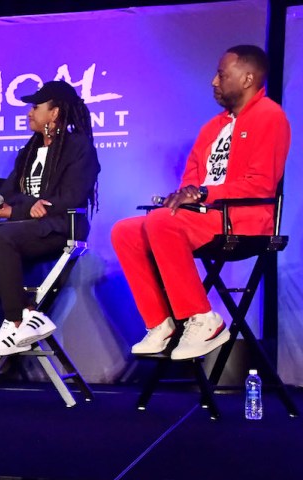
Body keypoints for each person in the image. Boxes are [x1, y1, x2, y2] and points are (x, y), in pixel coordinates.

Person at [110, 45, 291, 361]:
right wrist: (185, 197)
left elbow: (261, 183)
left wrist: (206, 195)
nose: (213, 82)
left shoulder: (270, 116)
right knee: (125, 231)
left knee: (162, 221)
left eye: (222, 75)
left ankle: (203, 319)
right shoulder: (212, 128)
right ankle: (161, 324)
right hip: (205, 218)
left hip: (245, 220)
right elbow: (191, 182)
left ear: (248, 78)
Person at [0, 80, 100, 355]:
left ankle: (15, 319)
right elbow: (7, 194)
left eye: (36, 106)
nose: (30, 113)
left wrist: (19, 210)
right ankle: (27, 314)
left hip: (62, 227)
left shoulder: (79, 147)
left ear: (54, 113)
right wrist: (19, 207)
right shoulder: (29, 150)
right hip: (29, 226)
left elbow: (71, 197)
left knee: (1, 237)